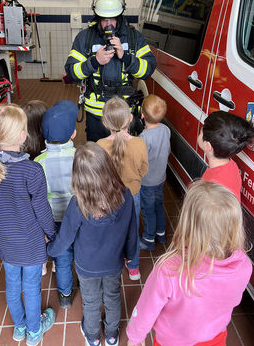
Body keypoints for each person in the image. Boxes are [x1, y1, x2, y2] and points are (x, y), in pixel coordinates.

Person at [126, 180, 252, 346]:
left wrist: (135, 337)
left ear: (188, 224)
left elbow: (146, 309)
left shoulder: (170, 268)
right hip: (215, 338)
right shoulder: (243, 265)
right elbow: (233, 300)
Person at [0, 104, 56, 346]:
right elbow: (42, 210)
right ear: (23, 135)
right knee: (31, 286)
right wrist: (50, 233)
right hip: (31, 242)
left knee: (12, 285)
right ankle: (34, 331)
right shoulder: (31, 170)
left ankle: (19, 328)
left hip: (6, 241)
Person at [48, 142, 137, 346]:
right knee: (113, 297)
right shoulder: (126, 196)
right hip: (114, 262)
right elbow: (132, 232)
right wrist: (131, 255)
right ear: (108, 167)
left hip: (86, 266)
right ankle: (112, 335)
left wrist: (50, 250)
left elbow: (65, 238)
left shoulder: (78, 204)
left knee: (91, 301)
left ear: (78, 176)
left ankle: (93, 336)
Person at [64, 0, 157, 142]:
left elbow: (147, 71)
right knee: (98, 156)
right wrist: (94, 61)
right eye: (104, 19)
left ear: (120, 16)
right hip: (96, 114)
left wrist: (126, 57)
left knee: (123, 158)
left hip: (124, 112)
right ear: (97, 16)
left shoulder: (134, 38)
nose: (108, 24)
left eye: (112, 19)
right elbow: (72, 72)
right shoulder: (84, 38)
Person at [97, 96, 148, 281]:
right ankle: (133, 267)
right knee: (132, 230)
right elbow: (143, 169)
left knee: (111, 229)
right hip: (133, 194)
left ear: (104, 122)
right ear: (130, 119)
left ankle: (112, 263)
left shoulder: (100, 145)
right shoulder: (139, 143)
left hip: (109, 196)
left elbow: (100, 173)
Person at [35, 100, 77, 309]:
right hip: (77, 217)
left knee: (62, 257)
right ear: (73, 134)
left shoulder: (38, 162)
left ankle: (65, 295)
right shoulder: (79, 157)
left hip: (52, 221)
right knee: (81, 250)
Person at [198, 110, 254, 202]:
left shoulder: (210, 190)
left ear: (207, 146)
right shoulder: (231, 166)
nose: (199, 134)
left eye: (200, 133)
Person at [139, 95, 170, 251]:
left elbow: (140, 160)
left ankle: (148, 238)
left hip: (147, 182)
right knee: (159, 205)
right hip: (160, 178)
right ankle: (161, 233)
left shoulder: (143, 137)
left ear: (142, 114)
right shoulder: (166, 130)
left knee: (148, 209)